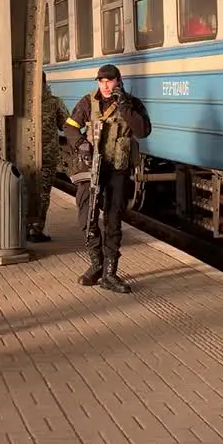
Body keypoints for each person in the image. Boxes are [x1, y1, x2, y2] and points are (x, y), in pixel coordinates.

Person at [64, 64, 151, 294]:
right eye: (101, 81)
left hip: (117, 171)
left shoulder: (131, 104)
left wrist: (125, 107)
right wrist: (81, 143)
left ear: (118, 82)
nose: (104, 86)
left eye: (109, 81)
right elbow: (70, 127)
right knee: (86, 218)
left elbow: (143, 131)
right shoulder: (87, 102)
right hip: (92, 170)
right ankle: (97, 264)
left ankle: (110, 273)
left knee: (113, 220)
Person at [31, 74, 69, 243]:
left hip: (25, 156)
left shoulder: (21, 101)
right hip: (47, 156)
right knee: (43, 193)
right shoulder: (54, 102)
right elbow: (66, 126)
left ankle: (24, 227)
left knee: (24, 191)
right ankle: (36, 229)